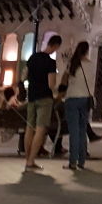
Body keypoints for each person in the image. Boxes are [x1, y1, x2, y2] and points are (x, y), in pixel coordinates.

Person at [23, 33, 61, 171]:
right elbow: (51, 84)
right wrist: (56, 90)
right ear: (56, 46)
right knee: (41, 129)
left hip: (32, 96)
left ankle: (28, 159)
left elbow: (24, 74)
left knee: (29, 128)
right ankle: (31, 161)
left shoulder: (33, 57)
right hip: (44, 98)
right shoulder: (50, 62)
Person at [61, 40, 93, 171]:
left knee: (73, 131)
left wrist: (62, 92)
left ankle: (72, 162)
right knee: (82, 130)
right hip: (85, 100)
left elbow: (64, 79)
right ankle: (82, 161)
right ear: (87, 51)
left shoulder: (72, 64)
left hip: (72, 98)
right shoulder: (91, 65)